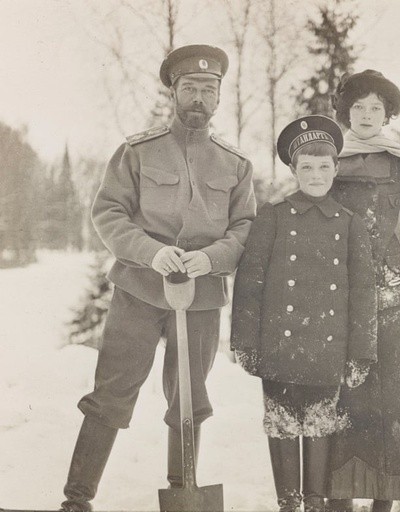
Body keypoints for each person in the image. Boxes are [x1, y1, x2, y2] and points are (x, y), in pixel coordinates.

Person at [59, 44, 256, 512]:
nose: (199, 99)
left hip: (203, 296)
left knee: (190, 399)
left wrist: (210, 258)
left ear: (220, 98)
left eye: (209, 90)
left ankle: (182, 492)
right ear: (173, 92)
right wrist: (152, 252)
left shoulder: (235, 164)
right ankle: (76, 499)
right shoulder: (137, 151)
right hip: (139, 292)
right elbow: (108, 211)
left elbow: (245, 226)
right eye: (190, 88)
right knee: (111, 393)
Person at [231, 115, 377, 512]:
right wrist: (244, 344)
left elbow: (364, 294)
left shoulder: (350, 225)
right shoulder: (273, 218)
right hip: (279, 348)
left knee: (319, 426)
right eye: (307, 167)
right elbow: (249, 287)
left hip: (329, 352)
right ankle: (288, 504)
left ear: (336, 170)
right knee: (280, 425)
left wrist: (361, 353)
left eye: (324, 167)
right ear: (293, 170)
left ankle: (314, 503)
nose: (315, 175)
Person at [326, 70, 400, 512]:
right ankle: (338, 496)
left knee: (393, 400)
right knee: (343, 396)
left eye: (376, 108)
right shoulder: (329, 157)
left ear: (388, 114)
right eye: (359, 107)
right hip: (341, 295)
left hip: (394, 297)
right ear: (346, 112)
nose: (367, 115)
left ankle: (384, 501)